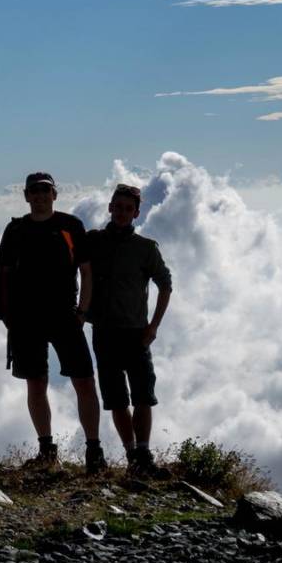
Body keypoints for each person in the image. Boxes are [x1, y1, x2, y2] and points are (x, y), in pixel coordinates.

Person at [0, 171, 105, 473]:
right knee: (36, 382)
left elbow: (86, 270)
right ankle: (47, 450)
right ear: (26, 196)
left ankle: (94, 450)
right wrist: (6, 315)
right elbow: (0, 272)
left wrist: (82, 311)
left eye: (45, 191)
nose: (40, 196)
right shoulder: (15, 230)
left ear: (55, 194)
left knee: (84, 380)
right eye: (34, 191)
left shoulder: (70, 226)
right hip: (25, 319)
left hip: (65, 315)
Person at [84, 183, 172, 477]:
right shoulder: (93, 241)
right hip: (104, 332)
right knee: (117, 399)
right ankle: (133, 456)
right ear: (109, 207)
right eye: (117, 207)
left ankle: (143, 453)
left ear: (136, 213)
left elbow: (166, 285)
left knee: (143, 396)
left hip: (137, 333)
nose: (121, 213)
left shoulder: (146, 248)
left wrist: (154, 326)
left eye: (127, 209)